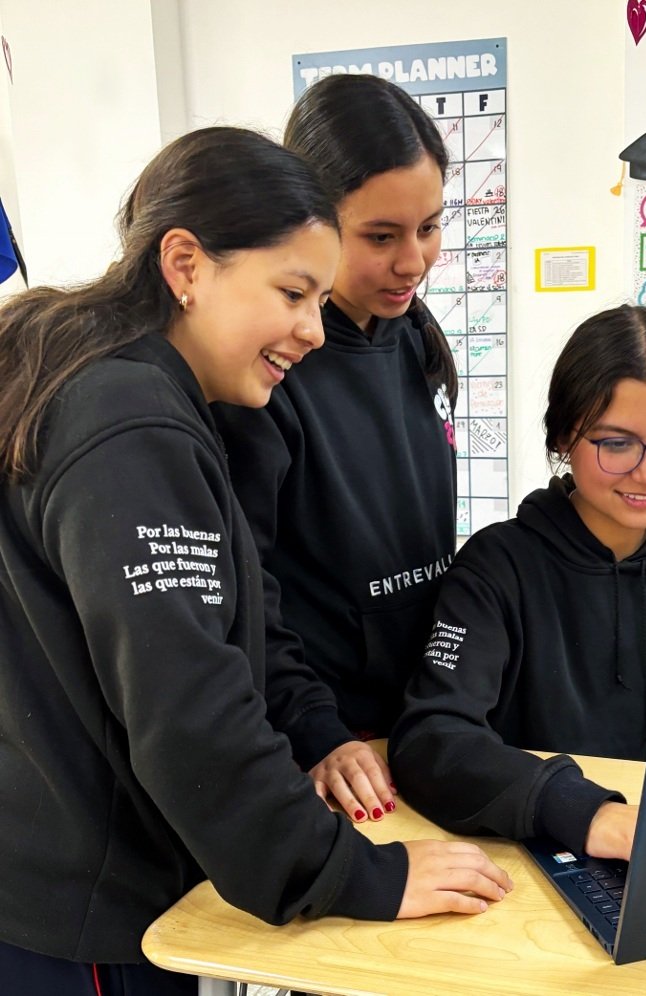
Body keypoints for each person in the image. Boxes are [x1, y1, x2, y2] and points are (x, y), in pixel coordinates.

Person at [0, 126, 511, 996]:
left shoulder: (103, 381)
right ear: (187, 264)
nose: (313, 330)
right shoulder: (131, 425)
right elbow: (186, 702)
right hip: (87, 908)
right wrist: (358, 875)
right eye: (292, 292)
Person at [388, 304, 646, 864]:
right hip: (536, 849)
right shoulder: (498, 567)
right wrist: (582, 811)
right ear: (565, 434)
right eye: (616, 444)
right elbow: (432, 739)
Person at [213, 74, 458, 825]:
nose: (413, 261)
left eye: (430, 227)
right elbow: (243, 592)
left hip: (418, 721)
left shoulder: (416, 338)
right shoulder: (268, 371)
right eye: (381, 237)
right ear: (312, 221)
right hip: (323, 746)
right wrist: (315, 731)